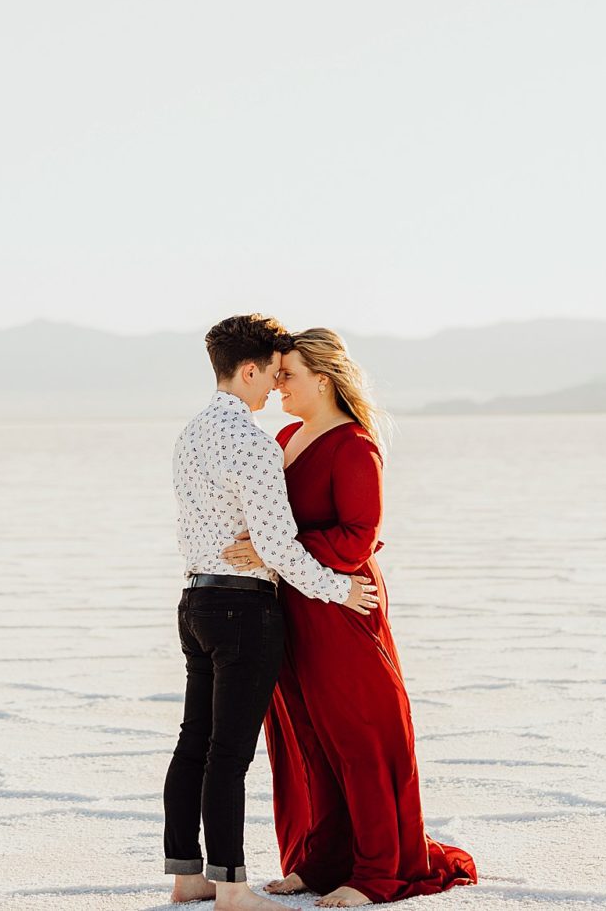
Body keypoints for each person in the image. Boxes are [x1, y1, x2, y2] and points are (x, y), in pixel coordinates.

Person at [220, 327, 477, 907]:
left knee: (358, 736)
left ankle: (375, 873)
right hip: (289, 606)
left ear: (324, 379)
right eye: (276, 373)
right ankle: (318, 862)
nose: (278, 383)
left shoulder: (355, 445)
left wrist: (274, 551)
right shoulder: (285, 435)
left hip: (341, 606)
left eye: (288, 374)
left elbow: (358, 538)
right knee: (306, 737)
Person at [164, 314, 381, 910]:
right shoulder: (254, 443)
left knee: (193, 742)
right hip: (241, 608)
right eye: (272, 376)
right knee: (228, 754)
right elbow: (280, 546)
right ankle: (233, 889)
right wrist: (340, 590)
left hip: (195, 600)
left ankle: (189, 878)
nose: (274, 391)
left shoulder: (191, 434)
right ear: (250, 369)